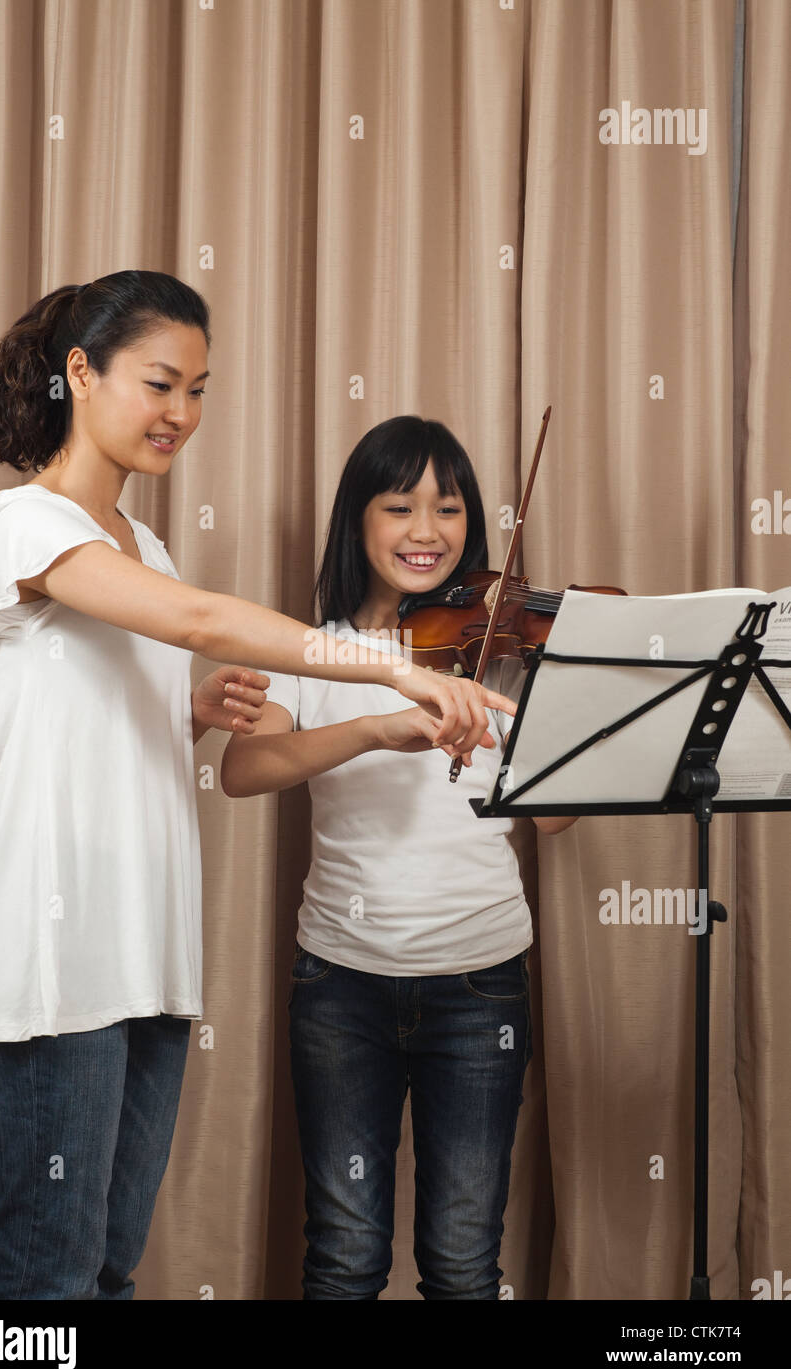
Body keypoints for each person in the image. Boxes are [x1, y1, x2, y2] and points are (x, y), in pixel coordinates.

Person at [0, 272, 515, 1301]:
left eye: (199, 390)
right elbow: (201, 619)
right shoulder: (24, 525)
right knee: (44, 1275)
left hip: (149, 951)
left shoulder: (143, 545)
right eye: (161, 383)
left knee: (111, 1267)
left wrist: (188, 711)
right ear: (80, 371)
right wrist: (386, 666)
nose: (182, 414)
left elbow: (105, 721)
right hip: (55, 955)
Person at [221, 415, 577, 1300]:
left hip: (481, 979)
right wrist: (376, 726)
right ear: (358, 521)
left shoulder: (502, 653)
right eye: (401, 507)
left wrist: (552, 706)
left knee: (464, 1263)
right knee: (345, 1257)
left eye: (449, 509)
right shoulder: (315, 650)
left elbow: (560, 824)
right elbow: (244, 770)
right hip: (341, 982)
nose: (427, 532)